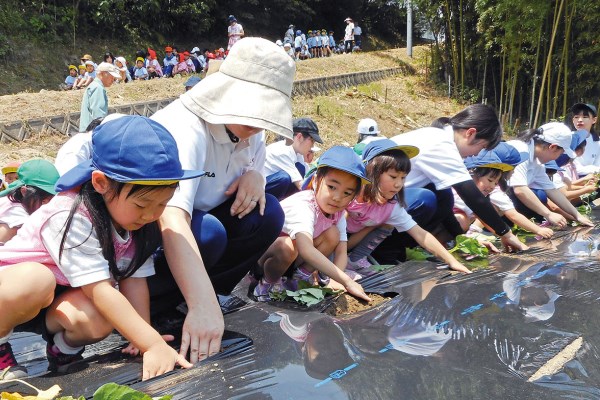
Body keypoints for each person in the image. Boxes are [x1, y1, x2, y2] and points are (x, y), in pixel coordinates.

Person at [0, 116, 203, 381]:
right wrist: (152, 345)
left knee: (100, 320)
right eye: (142, 206)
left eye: (161, 205)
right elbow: (99, 291)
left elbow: (133, 278)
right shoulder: (69, 215)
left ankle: (62, 351)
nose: (151, 215)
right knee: (36, 280)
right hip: (13, 292)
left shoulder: (135, 223)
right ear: (101, 184)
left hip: (56, 298)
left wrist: (141, 334)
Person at [150, 37, 296, 364]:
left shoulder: (251, 130)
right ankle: (154, 307)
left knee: (269, 213)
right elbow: (170, 219)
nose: (258, 124)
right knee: (210, 232)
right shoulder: (186, 127)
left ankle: (202, 296)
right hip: (154, 233)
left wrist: (255, 176)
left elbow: (254, 163)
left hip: (202, 222)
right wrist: (203, 305)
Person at [372, 104, 527, 264]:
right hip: (369, 202)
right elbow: (472, 196)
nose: (476, 154)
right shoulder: (440, 144)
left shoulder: (440, 137)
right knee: (425, 199)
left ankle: (400, 248)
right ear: (470, 133)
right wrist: (505, 233)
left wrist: (460, 240)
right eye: (482, 147)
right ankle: (383, 251)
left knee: (443, 195)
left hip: (390, 198)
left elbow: (446, 205)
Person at [254, 146, 371, 301]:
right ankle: (266, 283)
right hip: (264, 258)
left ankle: (298, 279)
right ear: (316, 181)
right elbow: (306, 249)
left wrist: (336, 280)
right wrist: (347, 281)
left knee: (333, 234)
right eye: (332, 187)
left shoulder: (338, 213)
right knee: (288, 246)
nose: (337, 197)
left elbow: (341, 251)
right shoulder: (305, 204)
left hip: (293, 262)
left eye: (347, 193)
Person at [345, 140, 471, 276]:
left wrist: (451, 261)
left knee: (387, 223)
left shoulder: (391, 206)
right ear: (372, 172)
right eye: (393, 177)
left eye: (403, 178)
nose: (398, 184)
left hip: (350, 239)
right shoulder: (351, 193)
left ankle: (356, 259)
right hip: (333, 236)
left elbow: (420, 234)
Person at [506, 122, 594, 227]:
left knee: (542, 195)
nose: (556, 158)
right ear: (553, 147)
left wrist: (578, 216)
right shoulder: (521, 150)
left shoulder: (537, 162)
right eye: (560, 153)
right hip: (492, 203)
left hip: (503, 204)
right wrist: (548, 214)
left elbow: (552, 190)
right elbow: (520, 190)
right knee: (538, 196)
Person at [468, 143, 555, 239]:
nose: (514, 171)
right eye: (513, 167)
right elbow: (513, 215)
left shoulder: (493, 185)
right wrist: (538, 230)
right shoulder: (494, 191)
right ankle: (472, 232)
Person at [0, 159, 59, 244]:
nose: (47, 206)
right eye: (43, 201)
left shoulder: (16, 199)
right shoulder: (16, 217)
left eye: (52, 200)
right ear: (24, 191)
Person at [264, 117, 323, 200]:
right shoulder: (283, 150)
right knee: (284, 178)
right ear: (299, 137)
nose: (312, 146)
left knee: (300, 169)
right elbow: (301, 185)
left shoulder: (297, 153)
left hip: (273, 185)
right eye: (312, 141)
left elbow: (306, 177)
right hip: (259, 187)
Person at [78, 62, 120, 132]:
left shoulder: (94, 86)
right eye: (112, 76)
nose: (113, 80)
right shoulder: (98, 88)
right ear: (103, 73)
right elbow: (98, 117)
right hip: (92, 133)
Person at [570, 103, 599, 176]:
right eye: (576, 117)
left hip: (594, 179)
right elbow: (573, 168)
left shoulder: (597, 141)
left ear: (594, 120)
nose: (579, 120)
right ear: (573, 120)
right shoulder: (567, 138)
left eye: (585, 117)